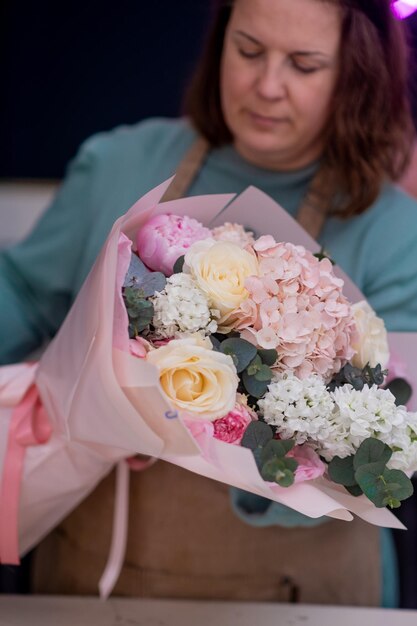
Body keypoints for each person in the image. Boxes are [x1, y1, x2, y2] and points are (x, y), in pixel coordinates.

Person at [1, 0, 417, 607]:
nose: (266, 86)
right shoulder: (120, 162)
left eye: (303, 65)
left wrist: (240, 453)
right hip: (96, 566)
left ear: (356, 76)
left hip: (296, 587)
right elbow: (24, 293)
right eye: (248, 51)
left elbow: (395, 435)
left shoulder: (394, 228)